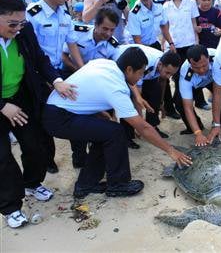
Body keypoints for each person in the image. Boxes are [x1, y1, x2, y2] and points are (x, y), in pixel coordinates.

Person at [42, 47, 192, 199]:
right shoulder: (117, 86)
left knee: (107, 131)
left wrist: (97, 110)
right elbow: (143, 127)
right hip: (60, 118)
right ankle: (118, 184)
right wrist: (171, 151)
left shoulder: (105, 64)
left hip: (57, 110)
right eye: (140, 72)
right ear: (129, 69)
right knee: (115, 132)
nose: (141, 77)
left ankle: (86, 184)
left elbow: (88, 87)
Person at [0, 0, 75, 228]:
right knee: (2, 158)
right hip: (1, 104)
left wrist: (56, 81)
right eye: (12, 23)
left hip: (20, 96)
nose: (18, 28)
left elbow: (40, 59)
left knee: (36, 144)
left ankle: (32, 183)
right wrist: (2, 106)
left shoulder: (25, 31)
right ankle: (10, 207)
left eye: (21, 23)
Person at [26, 0, 85, 173]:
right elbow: (29, 52)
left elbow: (72, 43)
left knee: (75, 111)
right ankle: (48, 160)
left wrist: (83, 69)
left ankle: (79, 156)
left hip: (60, 72)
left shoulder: (64, 15)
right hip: (39, 77)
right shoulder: (32, 15)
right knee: (43, 120)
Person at [61, 8, 120, 167]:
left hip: (97, 85)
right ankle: (79, 157)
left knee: (102, 119)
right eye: (105, 29)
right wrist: (79, 72)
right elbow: (64, 56)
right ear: (96, 24)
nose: (108, 33)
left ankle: (98, 155)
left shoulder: (113, 46)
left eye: (112, 30)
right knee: (77, 120)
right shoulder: (78, 33)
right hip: (73, 78)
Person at [174, 45, 221, 145]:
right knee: (180, 103)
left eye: (204, 65)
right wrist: (198, 133)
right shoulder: (185, 74)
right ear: (190, 64)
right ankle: (195, 128)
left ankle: (218, 128)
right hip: (195, 84)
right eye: (196, 67)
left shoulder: (218, 60)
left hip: (213, 80)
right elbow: (188, 107)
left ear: (208, 58)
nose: (201, 70)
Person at [113, 44, 181, 139]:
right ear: (160, 65)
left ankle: (152, 126)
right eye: (167, 73)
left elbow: (162, 82)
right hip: (125, 66)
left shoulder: (163, 65)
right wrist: (140, 125)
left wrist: (161, 103)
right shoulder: (145, 65)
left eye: (171, 74)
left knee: (155, 94)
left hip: (147, 72)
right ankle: (128, 135)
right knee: (129, 99)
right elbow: (137, 97)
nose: (168, 76)